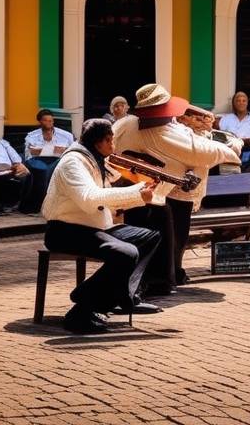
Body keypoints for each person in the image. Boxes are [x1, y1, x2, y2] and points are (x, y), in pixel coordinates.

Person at [114, 83, 241, 288]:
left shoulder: (126, 124)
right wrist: (234, 144)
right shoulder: (166, 134)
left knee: (142, 237)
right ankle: (160, 280)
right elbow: (205, 152)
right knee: (171, 237)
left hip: (133, 192)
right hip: (168, 193)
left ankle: (146, 280)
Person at [41, 118, 161, 334]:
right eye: (109, 140)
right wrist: (136, 194)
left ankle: (122, 296)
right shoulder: (73, 163)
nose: (113, 145)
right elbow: (90, 198)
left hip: (93, 227)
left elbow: (113, 186)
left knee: (149, 237)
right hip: (65, 230)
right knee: (126, 252)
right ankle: (83, 307)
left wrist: (144, 180)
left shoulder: (96, 159)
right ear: (97, 142)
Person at [21, 109, 73, 214]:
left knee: (59, 167)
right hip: (36, 160)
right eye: (45, 120)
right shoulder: (31, 135)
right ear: (39, 122)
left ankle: (57, 204)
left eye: (51, 121)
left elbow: (70, 150)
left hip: (58, 159)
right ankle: (40, 204)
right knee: (42, 170)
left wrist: (41, 149)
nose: (49, 123)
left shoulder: (66, 135)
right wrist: (53, 149)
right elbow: (30, 153)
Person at [218, 92, 250, 171]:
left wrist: (237, 139)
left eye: (244, 100)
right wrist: (243, 140)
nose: (241, 103)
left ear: (247, 103)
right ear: (234, 103)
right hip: (230, 152)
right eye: (238, 100)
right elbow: (223, 138)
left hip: (248, 152)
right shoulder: (225, 119)